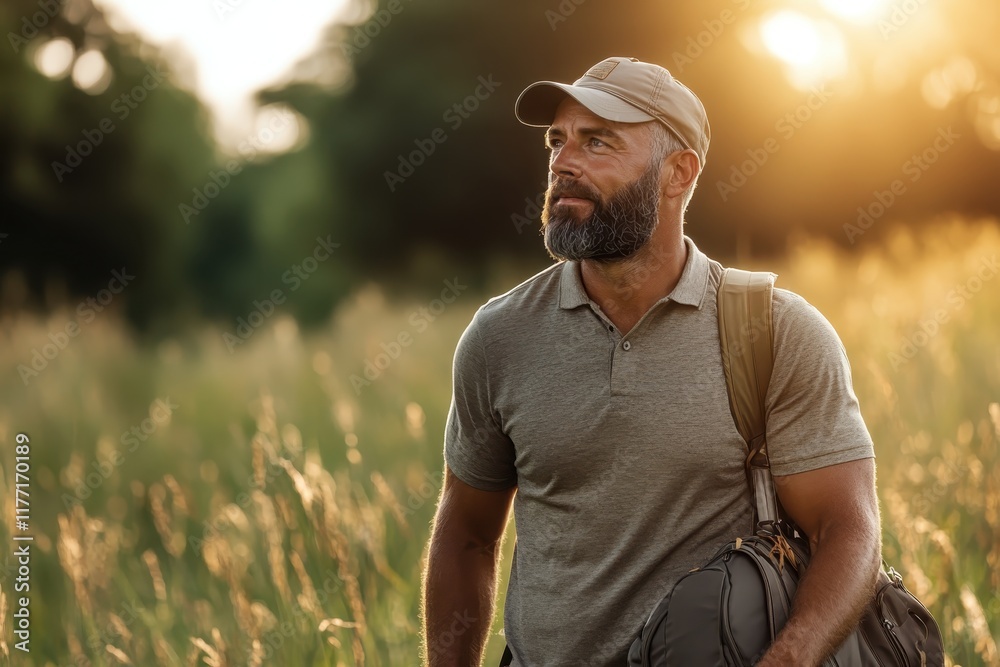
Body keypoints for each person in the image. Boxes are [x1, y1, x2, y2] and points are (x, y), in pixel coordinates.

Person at [422, 56, 882, 667]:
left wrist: (792, 658)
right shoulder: (500, 337)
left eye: (598, 142)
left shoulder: (777, 331)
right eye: (557, 141)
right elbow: (467, 536)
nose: (564, 163)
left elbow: (846, 529)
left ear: (678, 173)